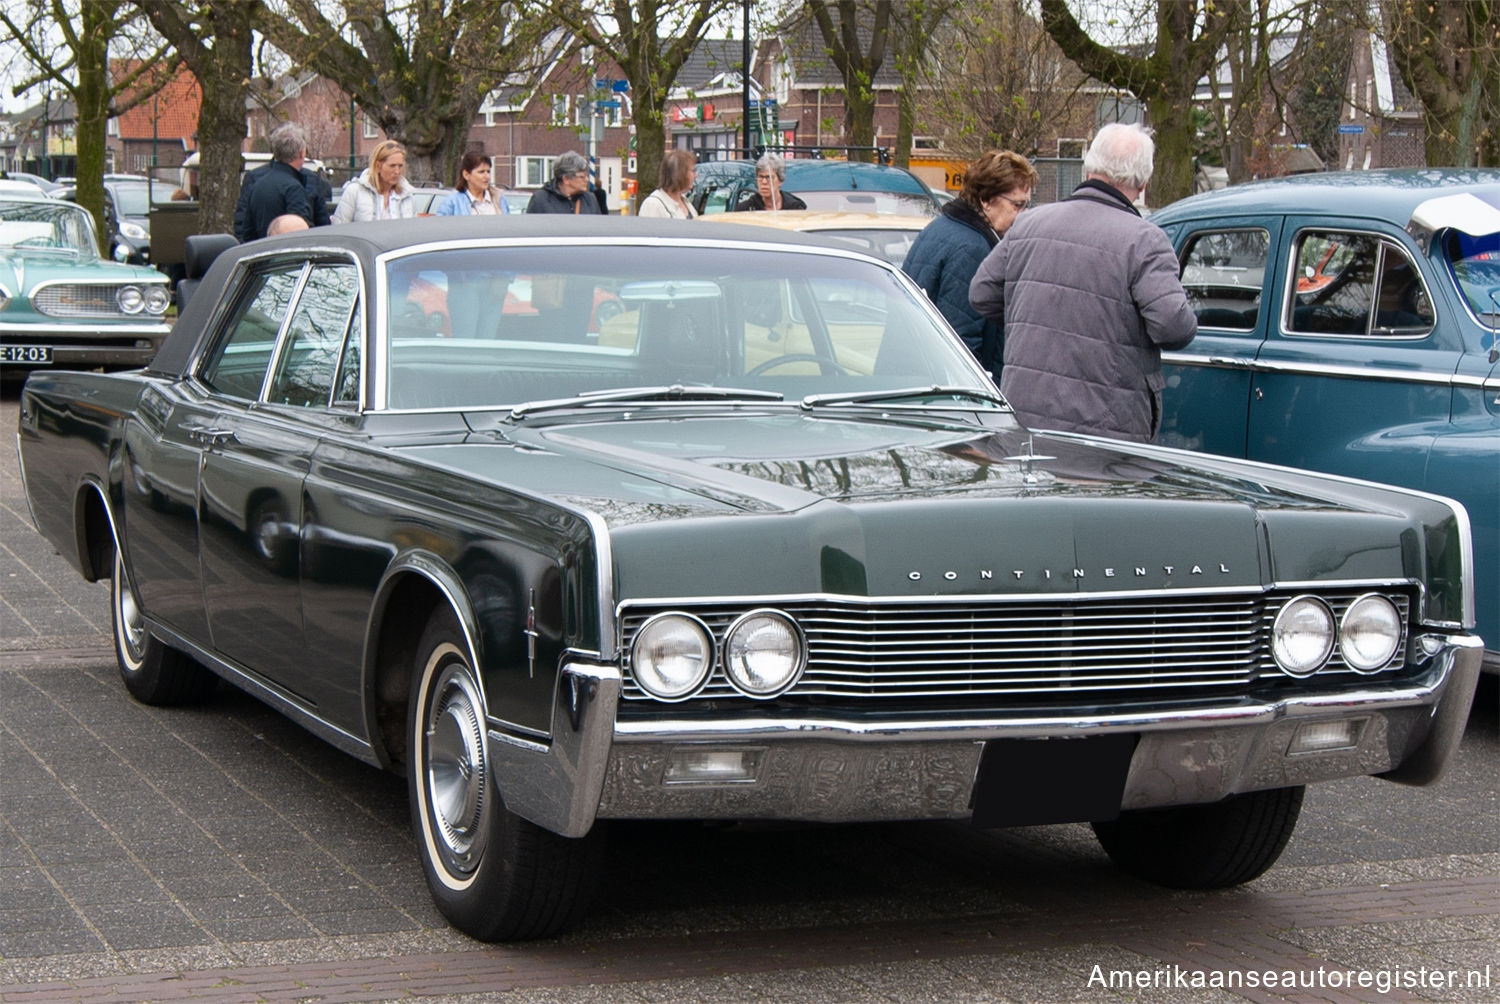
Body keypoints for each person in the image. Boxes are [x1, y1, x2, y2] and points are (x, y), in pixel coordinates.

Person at [969, 123, 1196, 443]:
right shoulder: (1145, 241)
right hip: (1106, 427)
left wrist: (1034, 318)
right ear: (1143, 183)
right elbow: (1174, 326)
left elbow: (982, 294)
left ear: (1088, 169)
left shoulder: (1028, 225)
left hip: (1025, 415)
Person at [902, 150, 1037, 373]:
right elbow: (962, 344)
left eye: (1026, 206)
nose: (1023, 215)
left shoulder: (940, 227)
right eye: (1017, 205)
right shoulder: (974, 248)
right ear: (986, 200)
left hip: (914, 375)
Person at [234, 123, 332, 241]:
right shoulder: (294, 188)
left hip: (259, 252)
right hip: (285, 254)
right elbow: (300, 234)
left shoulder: (257, 183)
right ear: (302, 153)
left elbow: (246, 230)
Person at [333, 140, 417, 222]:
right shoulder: (355, 191)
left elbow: (413, 231)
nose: (397, 171)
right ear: (378, 166)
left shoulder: (407, 196)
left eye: (400, 166)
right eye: (392, 166)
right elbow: (338, 227)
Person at [526, 152, 602, 214]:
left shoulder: (590, 199)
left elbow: (598, 229)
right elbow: (530, 228)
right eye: (582, 177)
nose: (587, 180)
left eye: (587, 176)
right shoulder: (541, 199)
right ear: (566, 179)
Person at [433, 151, 506, 215]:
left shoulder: (499, 198)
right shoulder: (452, 203)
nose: (487, 176)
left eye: (488, 171)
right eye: (481, 172)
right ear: (466, 175)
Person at [731, 152, 806, 211]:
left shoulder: (795, 208)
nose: (764, 182)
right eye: (760, 177)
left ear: (780, 181)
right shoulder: (746, 209)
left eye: (768, 177)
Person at [636, 150, 698, 219]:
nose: (696, 175)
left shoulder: (685, 201)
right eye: (693, 171)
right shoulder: (653, 204)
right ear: (680, 174)